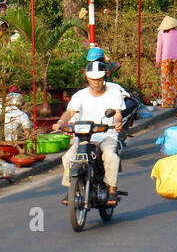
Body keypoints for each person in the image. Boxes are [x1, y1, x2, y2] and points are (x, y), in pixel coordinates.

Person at [51, 61, 130, 208]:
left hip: (107, 134)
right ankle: (72, 189)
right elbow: (70, 112)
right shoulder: (80, 95)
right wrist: (61, 122)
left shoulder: (113, 93)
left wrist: (117, 122)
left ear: (104, 77)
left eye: (99, 79)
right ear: (87, 78)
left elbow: (117, 114)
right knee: (68, 157)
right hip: (84, 136)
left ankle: (112, 189)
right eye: (93, 79)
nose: (96, 82)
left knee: (110, 156)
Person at [154, 15, 177, 108]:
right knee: (176, 80)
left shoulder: (161, 33)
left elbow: (159, 48)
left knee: (165, 80)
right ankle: (175, 101)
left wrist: (157, 60)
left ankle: (167, 102)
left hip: (165, 59)